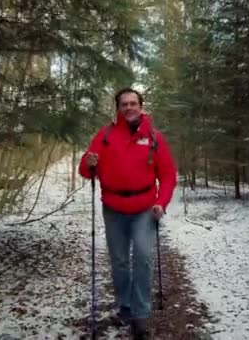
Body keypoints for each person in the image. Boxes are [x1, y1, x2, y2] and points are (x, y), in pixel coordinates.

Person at [79, 88, 177, 338]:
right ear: (118, 108)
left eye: (133, 103)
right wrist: (87, 162)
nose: (129, 107)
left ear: (141, 107)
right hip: (113, 208)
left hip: (145, 208)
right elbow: (86, 169)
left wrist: (161, 203)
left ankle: (140, 315)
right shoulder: (106, 135)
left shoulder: (154, 138)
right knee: (120, 261)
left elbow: (167, 176)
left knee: (143, 258)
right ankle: (125, 305)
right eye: (124, 104)